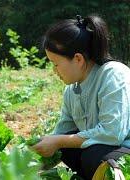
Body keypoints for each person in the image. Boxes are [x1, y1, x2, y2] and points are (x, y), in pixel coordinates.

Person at [32, 15, 130, 180]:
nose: (54, 71)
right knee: (66, 148)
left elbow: (112, 133)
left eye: (56, 64)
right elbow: (62, 133)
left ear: (78, 59)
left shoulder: (113, 74)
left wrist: (58, 141)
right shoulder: (72, 90)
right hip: (104, 149)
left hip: (123, 147)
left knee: (93, 154)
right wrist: (27, 160)